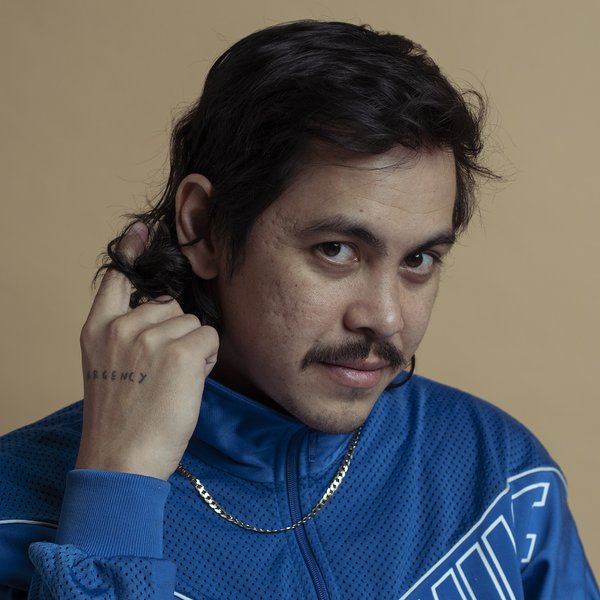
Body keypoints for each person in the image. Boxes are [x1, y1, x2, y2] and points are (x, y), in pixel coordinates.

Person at [0, 19, 597, 599]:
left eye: (419, 260)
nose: (386, 319)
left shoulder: (498, 474)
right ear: (205, 228)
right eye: (335, 250)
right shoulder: (14, 512)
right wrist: (117, 489)